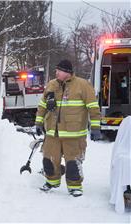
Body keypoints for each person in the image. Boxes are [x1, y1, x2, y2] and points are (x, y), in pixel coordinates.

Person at [35, 59, 101, 197]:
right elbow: (42, 106)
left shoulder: (83, 85)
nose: (56, 72)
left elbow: (93, 108)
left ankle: (75, 186)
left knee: (73, 162)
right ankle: (52, 182)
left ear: (66, 72)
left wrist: (95, 127)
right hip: (53, 133)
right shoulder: (51, 85)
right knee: (49, 159)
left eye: (59, 70)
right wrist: (38, 122)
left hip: (74, 134)